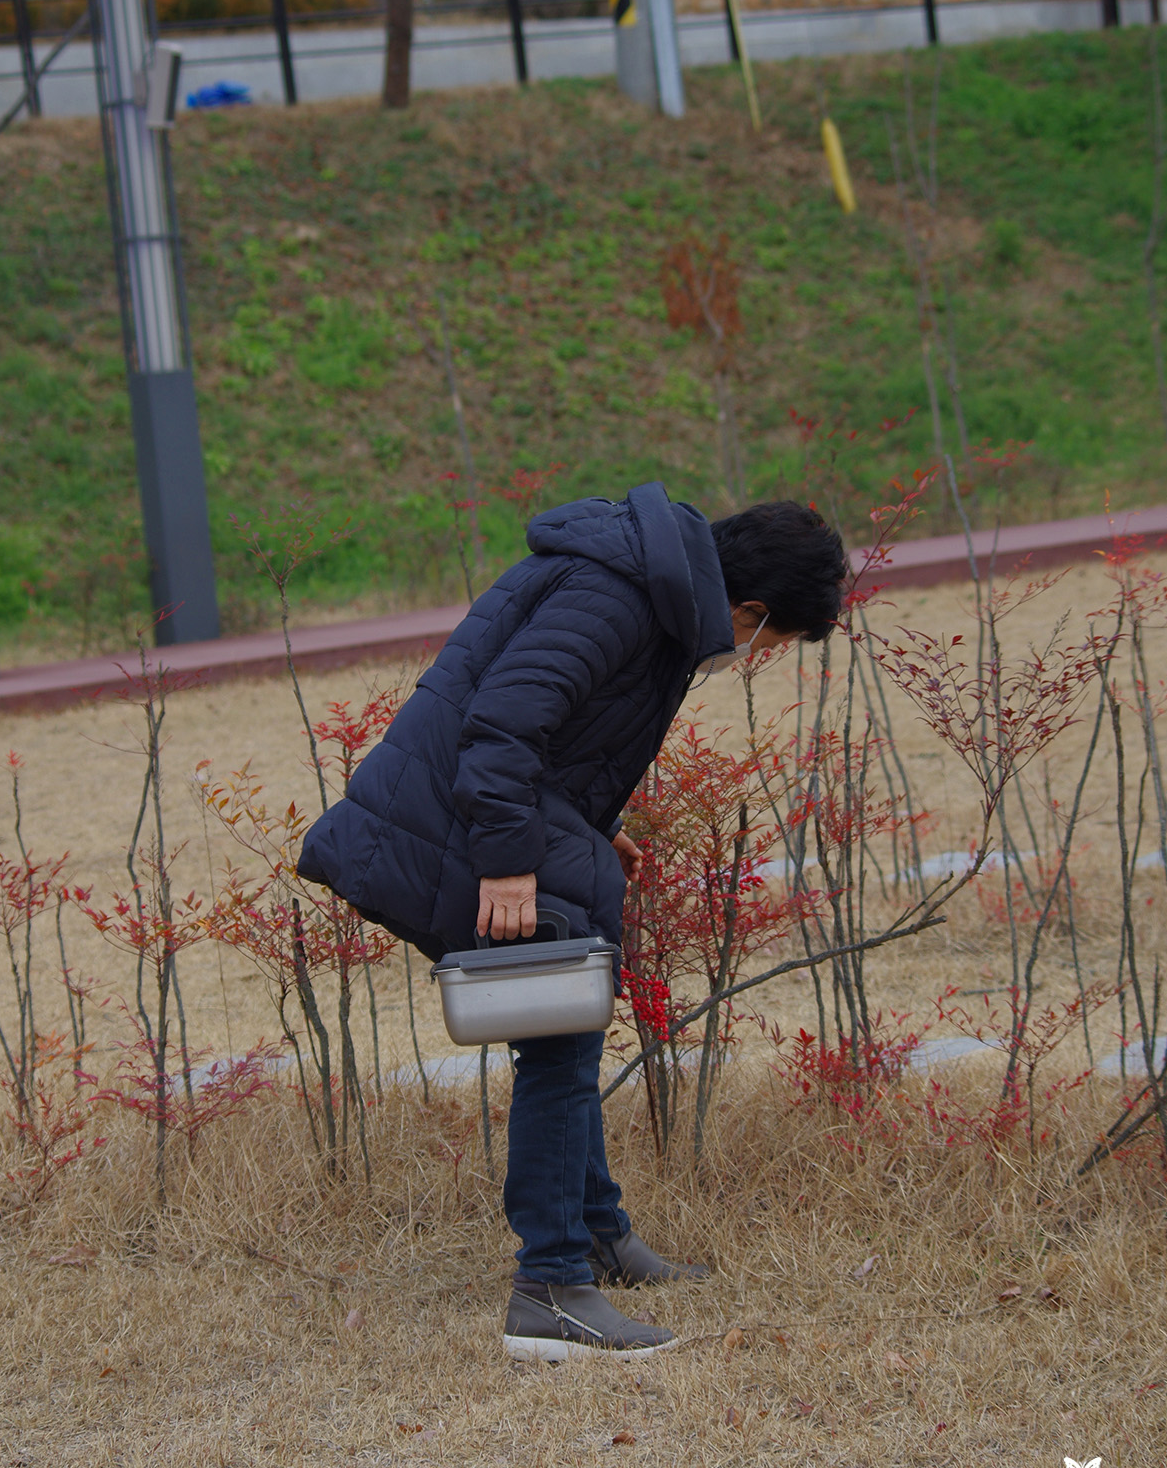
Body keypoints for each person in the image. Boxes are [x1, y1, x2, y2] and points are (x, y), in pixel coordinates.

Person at [297, 483, 848, 1361]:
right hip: (457, 825)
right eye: (771, 642)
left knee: (568, 1025)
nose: (756, 655)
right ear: (750, 608)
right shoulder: (617, 594)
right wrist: (512, 859)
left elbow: (567, 724)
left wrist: (597, 824)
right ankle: (551, 1288)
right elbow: (503, 727)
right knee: (559, 1040)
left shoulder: (642, 583)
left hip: (483, 816)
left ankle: (598, 1236)